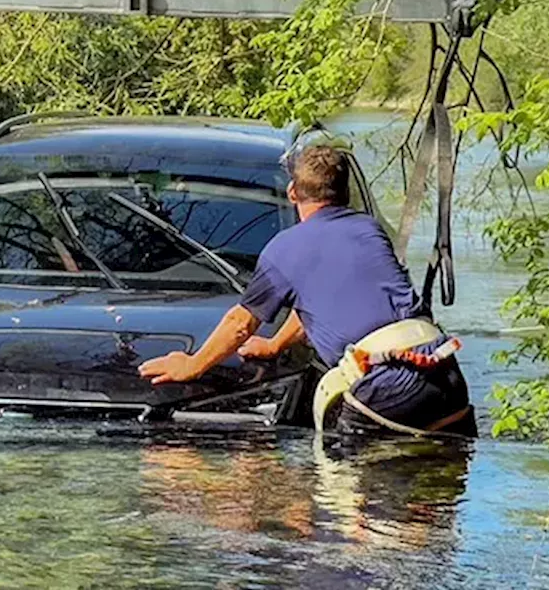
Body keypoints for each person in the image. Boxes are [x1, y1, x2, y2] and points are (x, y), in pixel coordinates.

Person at [138, 141, 475, 437]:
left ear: (292, 193)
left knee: (346, 502)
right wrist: (274, 346)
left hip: (384, 388)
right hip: (445, 376)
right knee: (437, 500)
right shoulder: (369, 230)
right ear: (344, 194)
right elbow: (317, 302)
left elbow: (240, 324)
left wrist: (193, 365)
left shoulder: (285, 249)